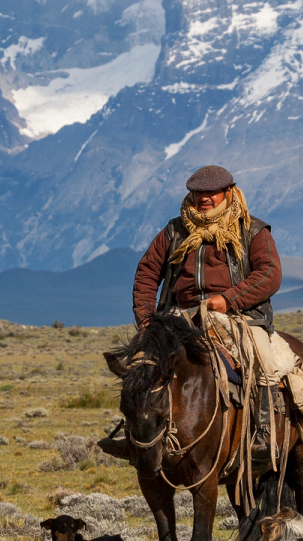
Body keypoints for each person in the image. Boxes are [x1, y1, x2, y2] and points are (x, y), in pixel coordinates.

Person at [114, 165, 284, 457]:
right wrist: (146, 321)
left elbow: (269, 273)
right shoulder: (174, 231)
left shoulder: (252, 230)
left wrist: (229, 299)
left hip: (239, 316)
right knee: (141, 366)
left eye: (211, 192)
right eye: (197, 193)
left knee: (263, 361)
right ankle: (135, 436)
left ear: (229, 192)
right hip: (178, 318)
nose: (204, 198)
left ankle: (263, 434)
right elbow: (147, 273)